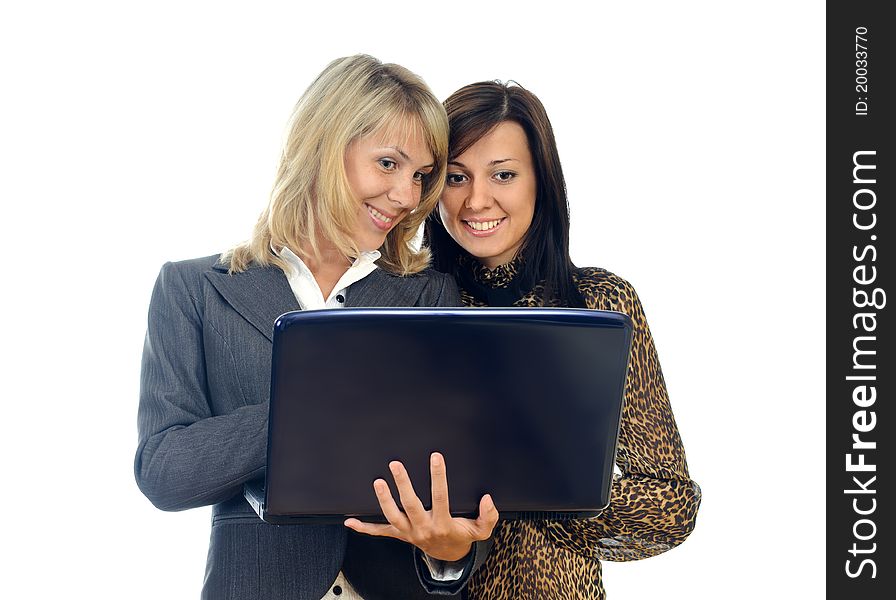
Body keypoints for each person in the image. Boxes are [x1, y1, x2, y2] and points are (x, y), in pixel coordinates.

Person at [135, 55, 498, 600]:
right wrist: (305, 408)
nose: (406, 195)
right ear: (325, 149)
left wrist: (450, 554)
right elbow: (165, 471)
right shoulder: (195, 289)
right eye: (387, 164)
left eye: (421, 175)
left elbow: (465, 474)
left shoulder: (429, 297)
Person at [425, 81, 702, 599]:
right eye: (456, 177)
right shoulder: (408, 308)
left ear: (541, 182)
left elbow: (671, 503)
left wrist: (539, 495)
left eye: (503, 174)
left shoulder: (600, 305)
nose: (476, 200)